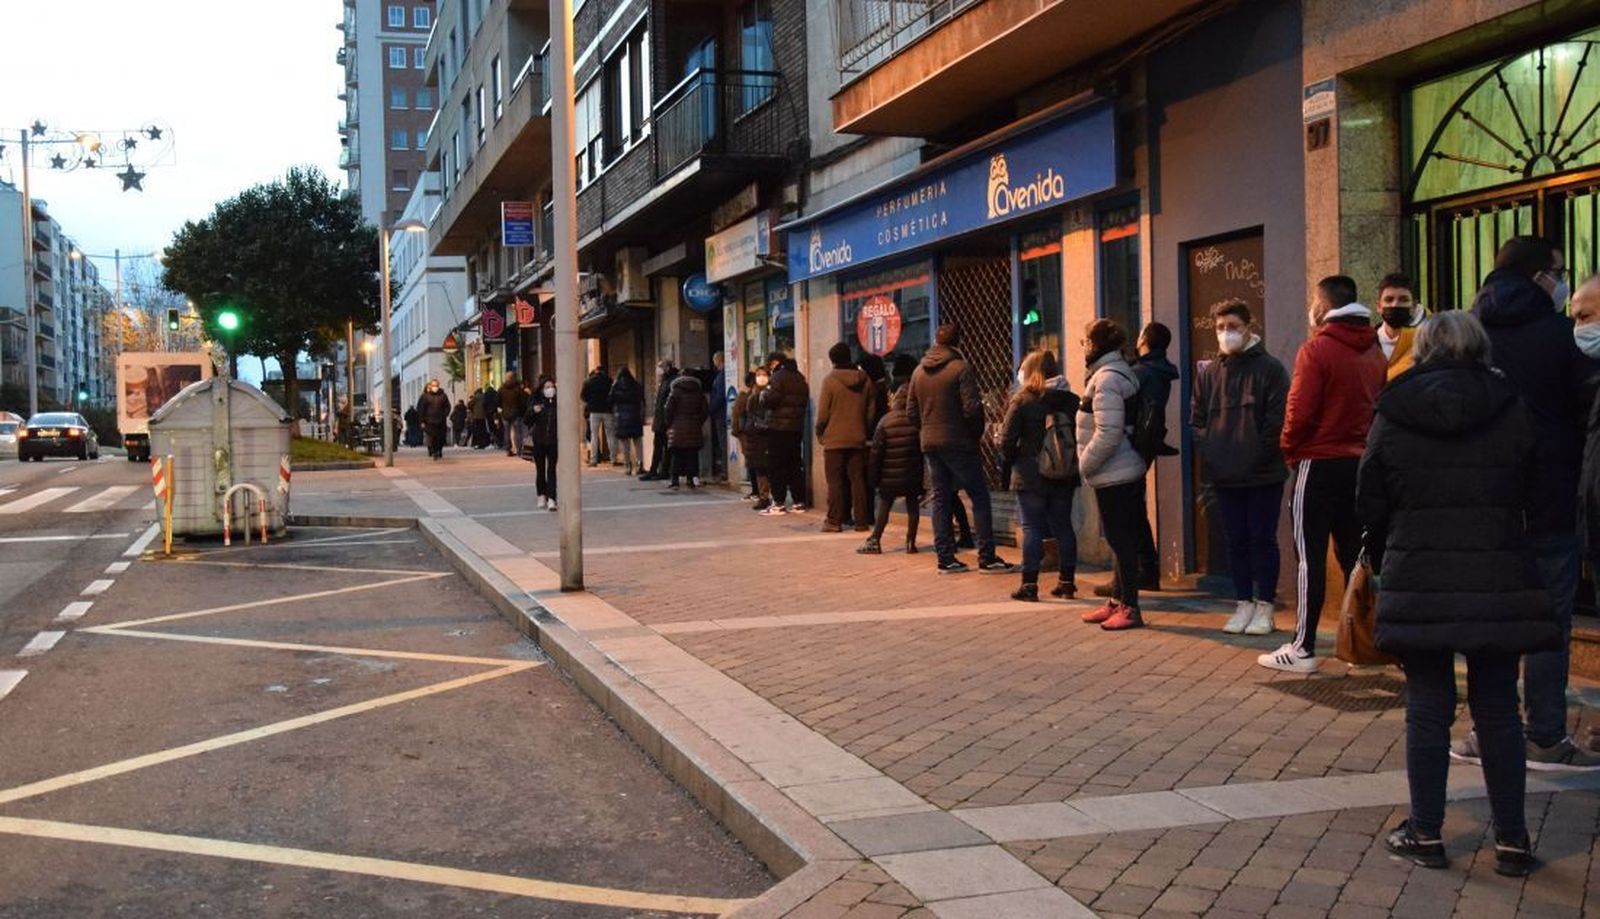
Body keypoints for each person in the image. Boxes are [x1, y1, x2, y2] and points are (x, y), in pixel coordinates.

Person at [1357, 311, 1555, 876]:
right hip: (1497, 572)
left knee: (1427, 707)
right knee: (1497, 709)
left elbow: (1370, 493)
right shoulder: (1509, 406)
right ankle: (1513, 840)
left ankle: (1425, 831)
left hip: (1419, 570)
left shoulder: (1394, 410)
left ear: (1423, 349)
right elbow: (1539, 489)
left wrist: (1382, 546)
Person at [1458, 236, 1599, 768]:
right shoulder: (1563, 338)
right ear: (1542, 276)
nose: (1563, 283)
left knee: (1489, 623)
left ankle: (1487, 731)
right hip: (1549, 501)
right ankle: (1544, 733)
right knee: (1548, 621)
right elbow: (1587, 413)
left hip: (1479, 505)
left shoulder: (1468, 336)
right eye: (1560, 272)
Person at [1263, 275, 1385, 673]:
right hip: (1359, 462)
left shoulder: (1317, 349)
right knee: (1354, 554)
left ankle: (1302, 647)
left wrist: (1290, 450)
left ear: (1325, 303)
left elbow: (1299, 409)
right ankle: (1362, 641)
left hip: (1318, 460)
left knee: (1308, 558)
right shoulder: (1374, 350)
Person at [1191, 300, 1290, 635]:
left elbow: (1275, 423)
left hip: (1263, 474)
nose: (1226, 333)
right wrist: (1216, 451)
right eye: (1220, 328)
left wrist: (1253, 456)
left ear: (1249, 326)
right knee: (1234, 540)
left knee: (1261, 538)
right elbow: (1197, 420)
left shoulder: (1270, 370)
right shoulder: (1209, 373)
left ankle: (1265, 606)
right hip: (1224, 473)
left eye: (1232, 326)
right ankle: (1243, 602)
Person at [905, 325, 1013, 574]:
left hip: (930, 442)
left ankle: (945, 557)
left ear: (935, 341)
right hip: (959, 443)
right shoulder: (960, 368)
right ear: (958, 342)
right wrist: (973, 435)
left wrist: (926, 429)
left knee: (941, 498)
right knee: (979, 497)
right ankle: (987, 557)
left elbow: (911, 412)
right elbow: (973, 408)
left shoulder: (919, 372)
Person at [1076, 319, 1149, 630]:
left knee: (1122, 542)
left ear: (1096, 344)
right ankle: (1119, 601)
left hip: (1116, 471)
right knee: (1121, 540)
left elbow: (1108, 432)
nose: (1084, 347)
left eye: (1085, 341)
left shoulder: (1107, 378)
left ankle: (1130, 607)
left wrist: (1084, 464)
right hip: (1119, 469)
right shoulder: (1113, 373)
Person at [1096, 321, 1177, 597]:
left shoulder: (1140, 373)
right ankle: (1145, 571)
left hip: (1133, 446)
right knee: (1134, 513)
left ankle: (1126, 582)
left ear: (1145, 341)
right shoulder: (1158, 371)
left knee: (1123, 520)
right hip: (1145, 445)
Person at [1000, 349, 1080, 602]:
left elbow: (1006, 440)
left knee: (1032, 527)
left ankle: (1029, 585)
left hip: (1031, 472)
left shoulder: (1023, 400)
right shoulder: (1071, 400)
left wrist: (1012, 462)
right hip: (1063, 473)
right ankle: (1067, 583)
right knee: (1063, 526)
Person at [860, 358, 923, 555]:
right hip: (912, 474)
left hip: (889, 477)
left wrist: (873, 478)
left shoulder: (885, 422)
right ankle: (910, 542)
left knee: (885, 506)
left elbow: (876, 453)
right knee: (913, 507)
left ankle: (876, 539)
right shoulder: (917, 422)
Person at [816, 342, 873, 533]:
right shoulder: (865, 380)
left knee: (835, 481)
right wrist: (863, 428)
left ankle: (834, 521)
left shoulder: (830, 381)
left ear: (832, 360)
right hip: (858, 437)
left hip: (834, 440)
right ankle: (861, 521)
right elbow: (870, 411)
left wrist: (820, 431)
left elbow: (823, 413)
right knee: (858, 480)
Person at [758, 352, 809, 515]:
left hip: (779, 428)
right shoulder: (800, 377)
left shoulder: (779, 377)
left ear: (775, 362)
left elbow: (771, 400)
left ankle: (778, 502)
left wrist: (763, 395)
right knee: (794, 465)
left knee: (776, 466)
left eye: (769, 365)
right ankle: (799, 501)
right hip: (796, 427)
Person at [1376, 272, 1427, 381]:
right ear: (1379, 307)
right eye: (1389, 300)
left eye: (1403, 300)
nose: (1395, 305)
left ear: (1414, 306)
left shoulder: (1426, 345)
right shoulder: (1368, 343)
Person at [664, 367, 709, 489]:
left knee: (676, 455)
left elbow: (668, 410)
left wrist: (669, 424)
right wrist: (698, 421)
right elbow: (705, 410)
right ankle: (691, 480)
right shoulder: (699, 392)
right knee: (692, 455)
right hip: (694, 426)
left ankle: (675, 481)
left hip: (677, 427)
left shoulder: (675, 392)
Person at [732, 370, 769, 502]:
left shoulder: (746, 396)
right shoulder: (761, 395)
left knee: (755, 464)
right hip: (757, 434)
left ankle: (757, 492)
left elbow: (736, 416)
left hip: (751, 434)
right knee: (757, 464)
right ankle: (758, 492)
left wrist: (736, 432)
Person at [524, 377, 559, 510]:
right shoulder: (536, 401)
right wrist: (533, 411)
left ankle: (552, 498)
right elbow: (526, 420)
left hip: (554, 441)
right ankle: (541, 495)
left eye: (552, 387)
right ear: (542, 389)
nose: (550, 390)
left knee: (551, 470)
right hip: (539, 441)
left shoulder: (558, 403)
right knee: (540, 470)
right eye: (547, 387)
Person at [642, 359, 678, 481]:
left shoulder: (671, 381)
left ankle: (663, 471)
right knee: (658, 446)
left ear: (667, 367)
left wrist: (667, 420)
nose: (658, 369)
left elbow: (668, 403)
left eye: (660, 366)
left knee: (665, 448)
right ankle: (654, 470)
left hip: (666, 421)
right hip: (660, 420)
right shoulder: (664, 381)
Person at [609, 365, 645, 476]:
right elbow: (642, 400)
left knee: (625, 444)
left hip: (621, 418)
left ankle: (627, 465)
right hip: (634, 416)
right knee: (637, 441)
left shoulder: (616, 386)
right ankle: (640, 464)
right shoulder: (636, 385)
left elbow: (610, 400)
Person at [581, 365, 614, 467]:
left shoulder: (589, 381)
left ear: (596, 371)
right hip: (607, 410)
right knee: (610, 435)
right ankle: (613, 458)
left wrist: (590, 402)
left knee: (594, 435)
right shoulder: (609, 380)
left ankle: (594, 459)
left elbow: (583, 396)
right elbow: (612, 394)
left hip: (594, 411)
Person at [415, 379, 452, 460]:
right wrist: (422, 420)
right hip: (430, 421)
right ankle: (434, 451)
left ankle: (439, 449)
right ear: (431, 387)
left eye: (436, 385)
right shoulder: (426, 396)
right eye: (433, 386)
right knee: (433, 437)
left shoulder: (443, 395)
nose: (435, 387)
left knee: (441, 437)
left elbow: (448, 407)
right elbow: (421, 409)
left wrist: (444, 414)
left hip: (441, 420)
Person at [708, 351, 728, 481]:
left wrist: (711, 409)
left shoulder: (721, 376)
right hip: (721, 413)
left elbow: (719, 396)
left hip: (721, 414)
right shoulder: (721, 375)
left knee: (723, 442)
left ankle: (725, 471)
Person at [499, 372, 527, 458]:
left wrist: (502, 408)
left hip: (505, 413)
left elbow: (498, 401)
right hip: (516, 413)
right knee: (517, 432)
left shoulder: (502, 389)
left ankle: (508, 449)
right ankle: (519, 450)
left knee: (506, 432)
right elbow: (523, 401)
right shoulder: (518, 389)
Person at [483, 383, 502, 449]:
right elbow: (498, 402)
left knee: (490, 428)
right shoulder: (496, 393)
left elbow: (484, 404)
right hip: (495, 414)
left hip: (488, 414)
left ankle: (492, 442)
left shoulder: (486, 394)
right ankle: (498, 442)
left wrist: (485, 411)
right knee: (497, 427)